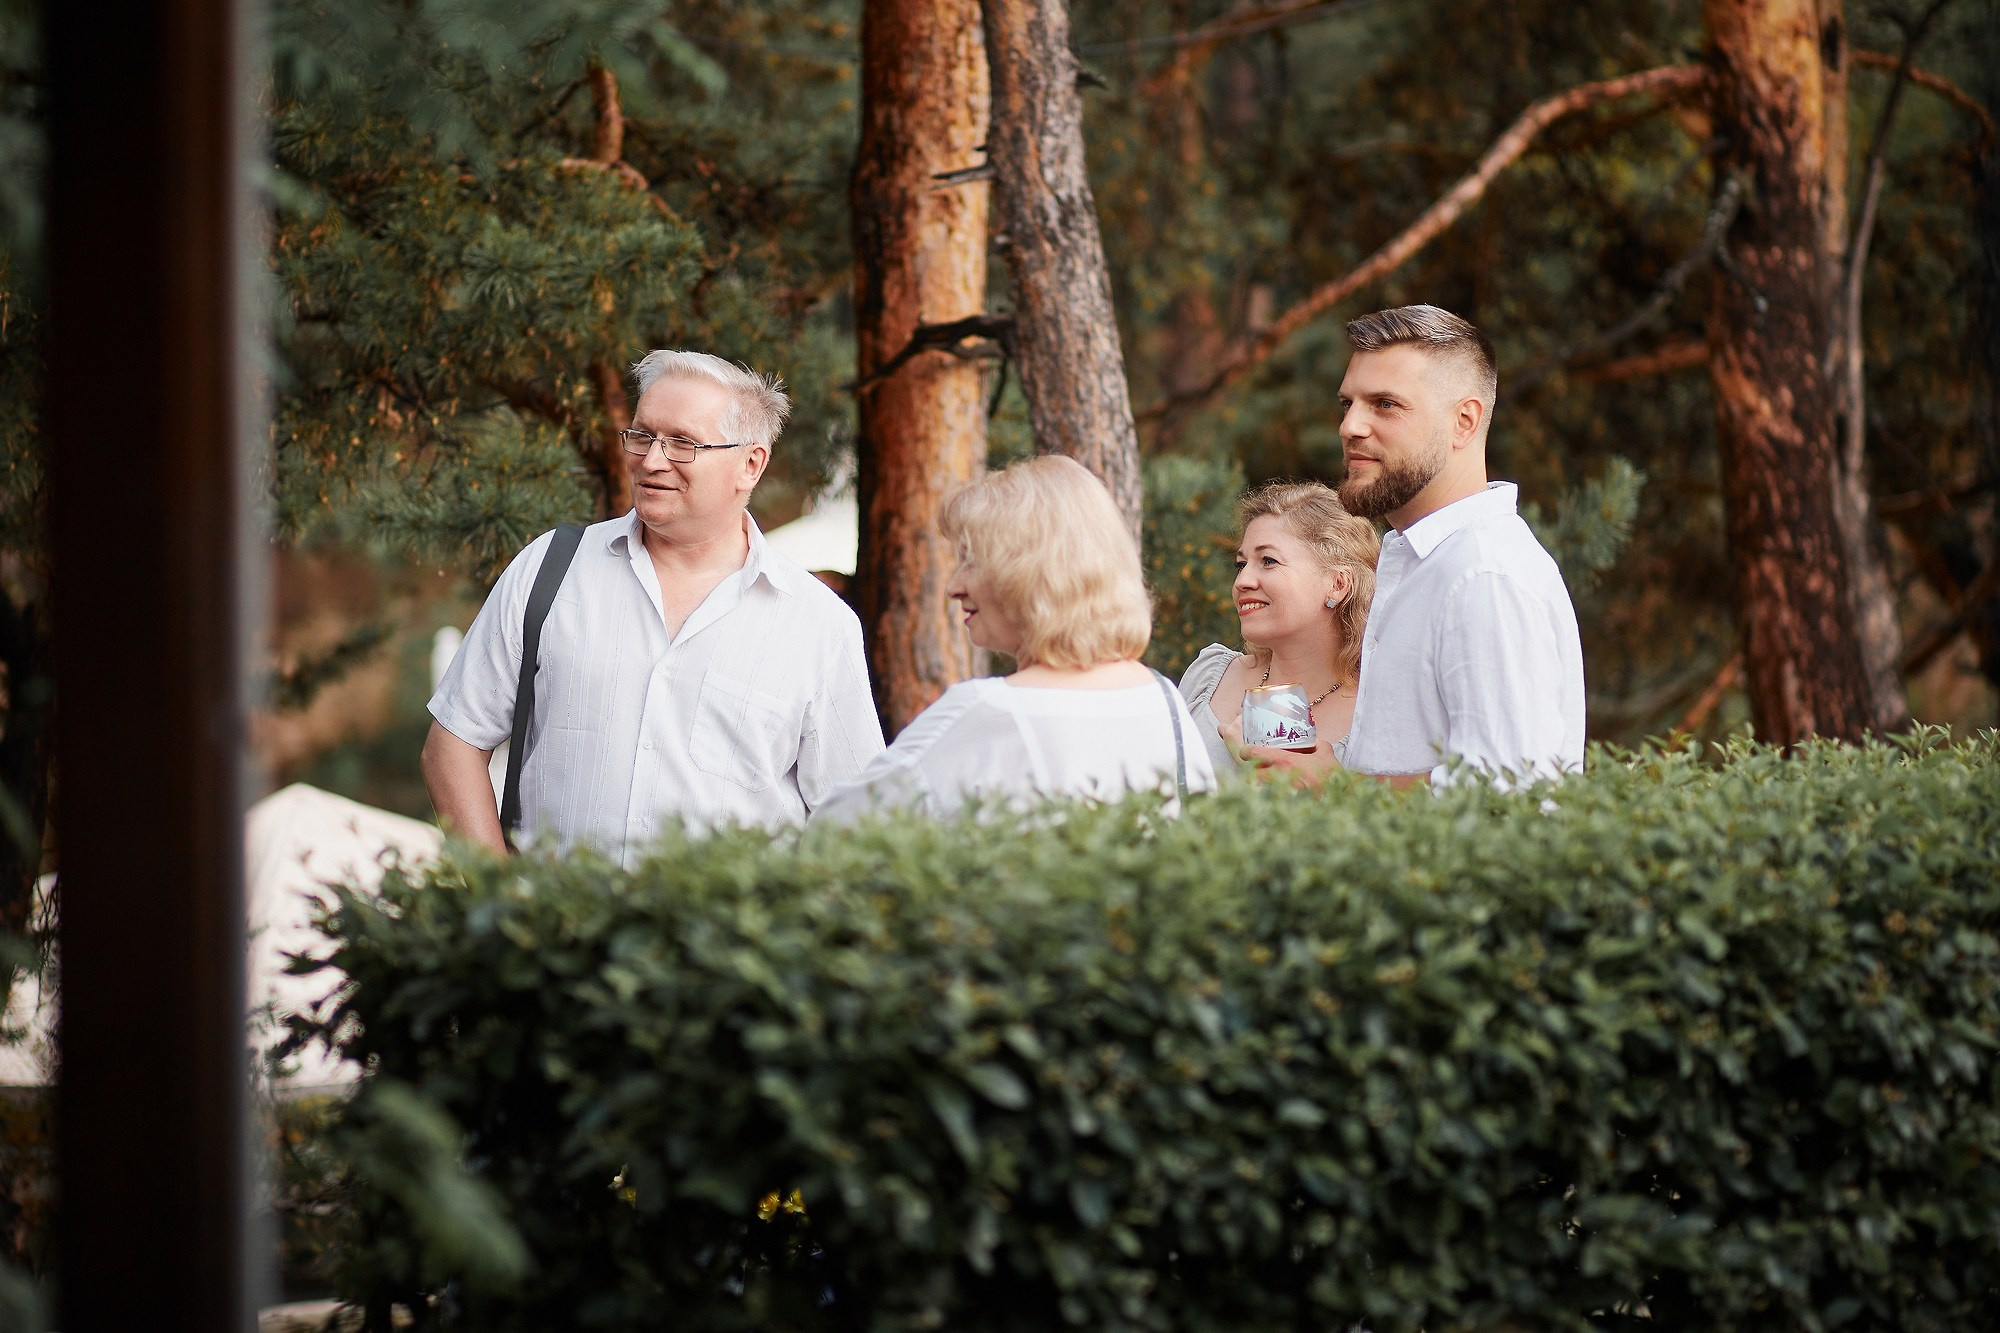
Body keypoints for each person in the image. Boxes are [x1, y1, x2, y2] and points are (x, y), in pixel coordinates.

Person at [423, 351, 885, 863]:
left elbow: (855, 821)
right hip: (552, 935)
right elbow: (452, 746)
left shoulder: (818, 625)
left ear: (750, 464)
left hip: (727, 940)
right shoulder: (550, 569)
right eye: (642, 435)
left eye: (682, 443)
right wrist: (501, 906)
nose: (651, 460)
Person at [812, 455, 1216, 824]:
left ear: (1031, 573)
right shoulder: (1164, 700)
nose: (953, 586)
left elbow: (838, 830)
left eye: (970, 560)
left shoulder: (989, 711)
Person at [1287, 304, 1585, 786]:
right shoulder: (1425, 561)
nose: (1350, 427)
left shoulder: (1484, 576)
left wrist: (1333, 787)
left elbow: (1509, 793)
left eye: (1385, 404)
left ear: (1464, 422)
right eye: (1348, 404)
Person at [1177, 482, 1379, 777]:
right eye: (1241, 564)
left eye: (1268, 561)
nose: (1242, 581)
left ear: (1337, 584)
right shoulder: (1209, 675)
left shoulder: (1374, 712)